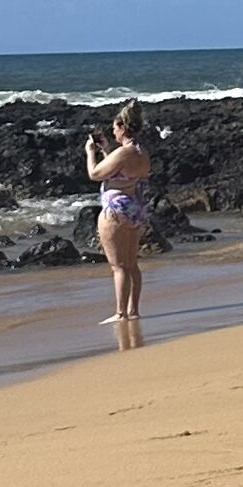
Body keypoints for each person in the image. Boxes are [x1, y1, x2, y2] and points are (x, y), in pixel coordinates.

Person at [86, 99, 154, 336]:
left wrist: (90, 153)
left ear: (123, 128)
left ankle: (120, 312)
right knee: (132, 263)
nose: (113, 131)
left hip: (115, 209)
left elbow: (95, 173)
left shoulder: (124, 153)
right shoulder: (139, 152)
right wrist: (106, 150)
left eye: (115, 128)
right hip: (134, 207)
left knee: (118, 266)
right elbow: (119, 169)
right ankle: (133, 309)